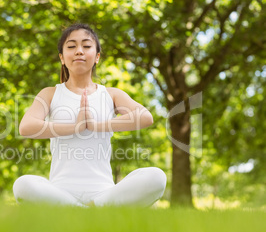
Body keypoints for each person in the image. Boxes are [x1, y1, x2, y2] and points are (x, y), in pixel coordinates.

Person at [13, 23, 166, 207]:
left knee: (157, 177)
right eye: (71, 46)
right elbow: (26, 127)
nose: (79, 51)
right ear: (62, 57)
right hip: (60, 192)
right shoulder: (50, 93)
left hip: (104, 191)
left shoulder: (111, 94)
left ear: (97, 57)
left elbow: (145, 117)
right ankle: (85, 210)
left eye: (86, 46)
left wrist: (94, 125)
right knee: (22, 185)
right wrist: (75, 127)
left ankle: (92, 207)